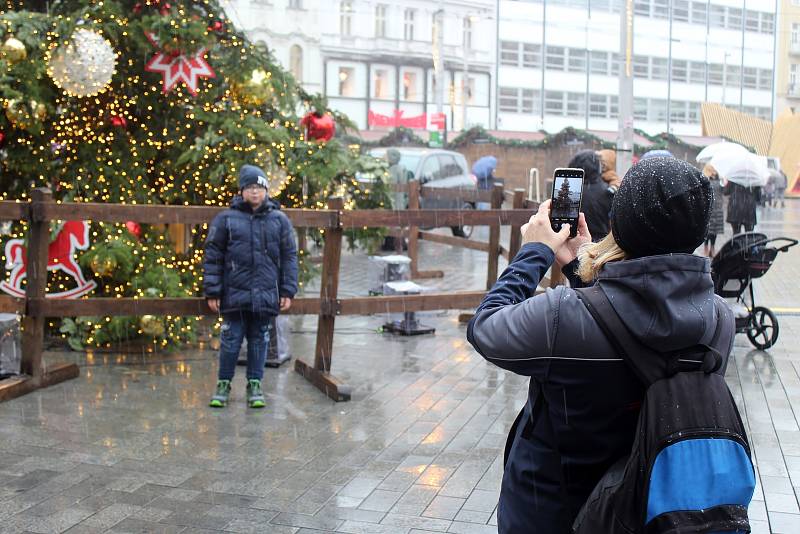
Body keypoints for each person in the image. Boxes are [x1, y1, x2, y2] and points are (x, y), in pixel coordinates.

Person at [467, 157, 733, 534]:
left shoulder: (563, 317)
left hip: (555, 511)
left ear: (621, 223)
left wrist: (536, 250)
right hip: (647, 506)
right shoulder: (720, 319)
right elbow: (628, 322)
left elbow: (486, 327)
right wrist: (580, 265)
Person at [203, 164, 298, 408]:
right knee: (231, 338)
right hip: (234, 293)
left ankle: (255, 384)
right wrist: (213, 290)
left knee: (259, 339)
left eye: (259, 187)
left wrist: (287, 290)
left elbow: (289, 256)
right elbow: (213, 255)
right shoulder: (226, 220)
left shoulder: (279, 220)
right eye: (250, 187)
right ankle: (223, 383)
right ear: (241, 191)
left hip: (265, 293)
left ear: (266, 190)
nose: (255, 192)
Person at [567, 150, 613, 241]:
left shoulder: (570, 191)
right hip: (601, 244)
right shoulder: (609, 190)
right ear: (597, 167)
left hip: (574, 239)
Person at [704, 164, 725, 256]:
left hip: (715, 208)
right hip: (711, 208)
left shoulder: (719, 181)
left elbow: (725, 191)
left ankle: (712, 247)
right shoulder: (705, 181)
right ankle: (707, 247)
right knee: (709, 230)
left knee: (713, 230)